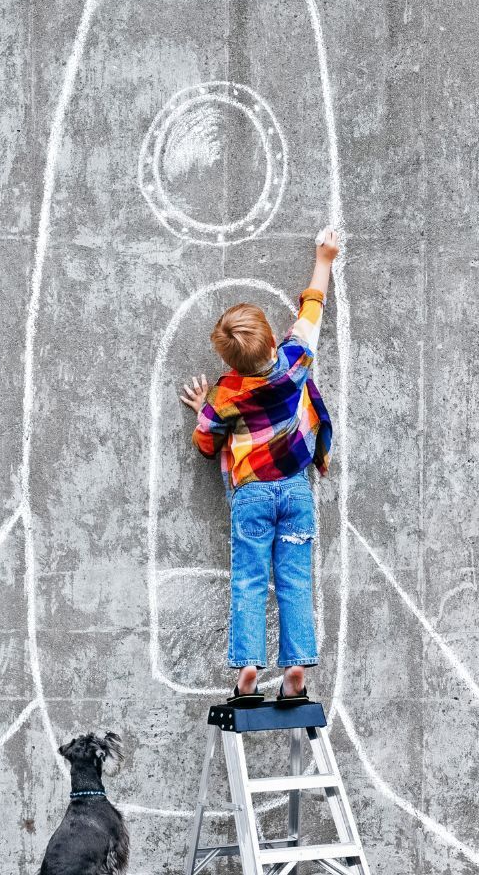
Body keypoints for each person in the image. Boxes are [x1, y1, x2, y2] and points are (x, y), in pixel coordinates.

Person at [178, 228, 340, 707]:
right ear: (272, 337)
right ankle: (295, 670)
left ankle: (249, 668)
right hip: (294, 492)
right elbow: (312, 311)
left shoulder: (227, 393)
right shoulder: (294, 363)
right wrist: (323, 258)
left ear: (229, 360)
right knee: (294, 581)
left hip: (250, 496)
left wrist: (203, 407)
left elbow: (206, 441)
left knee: (249, 581)